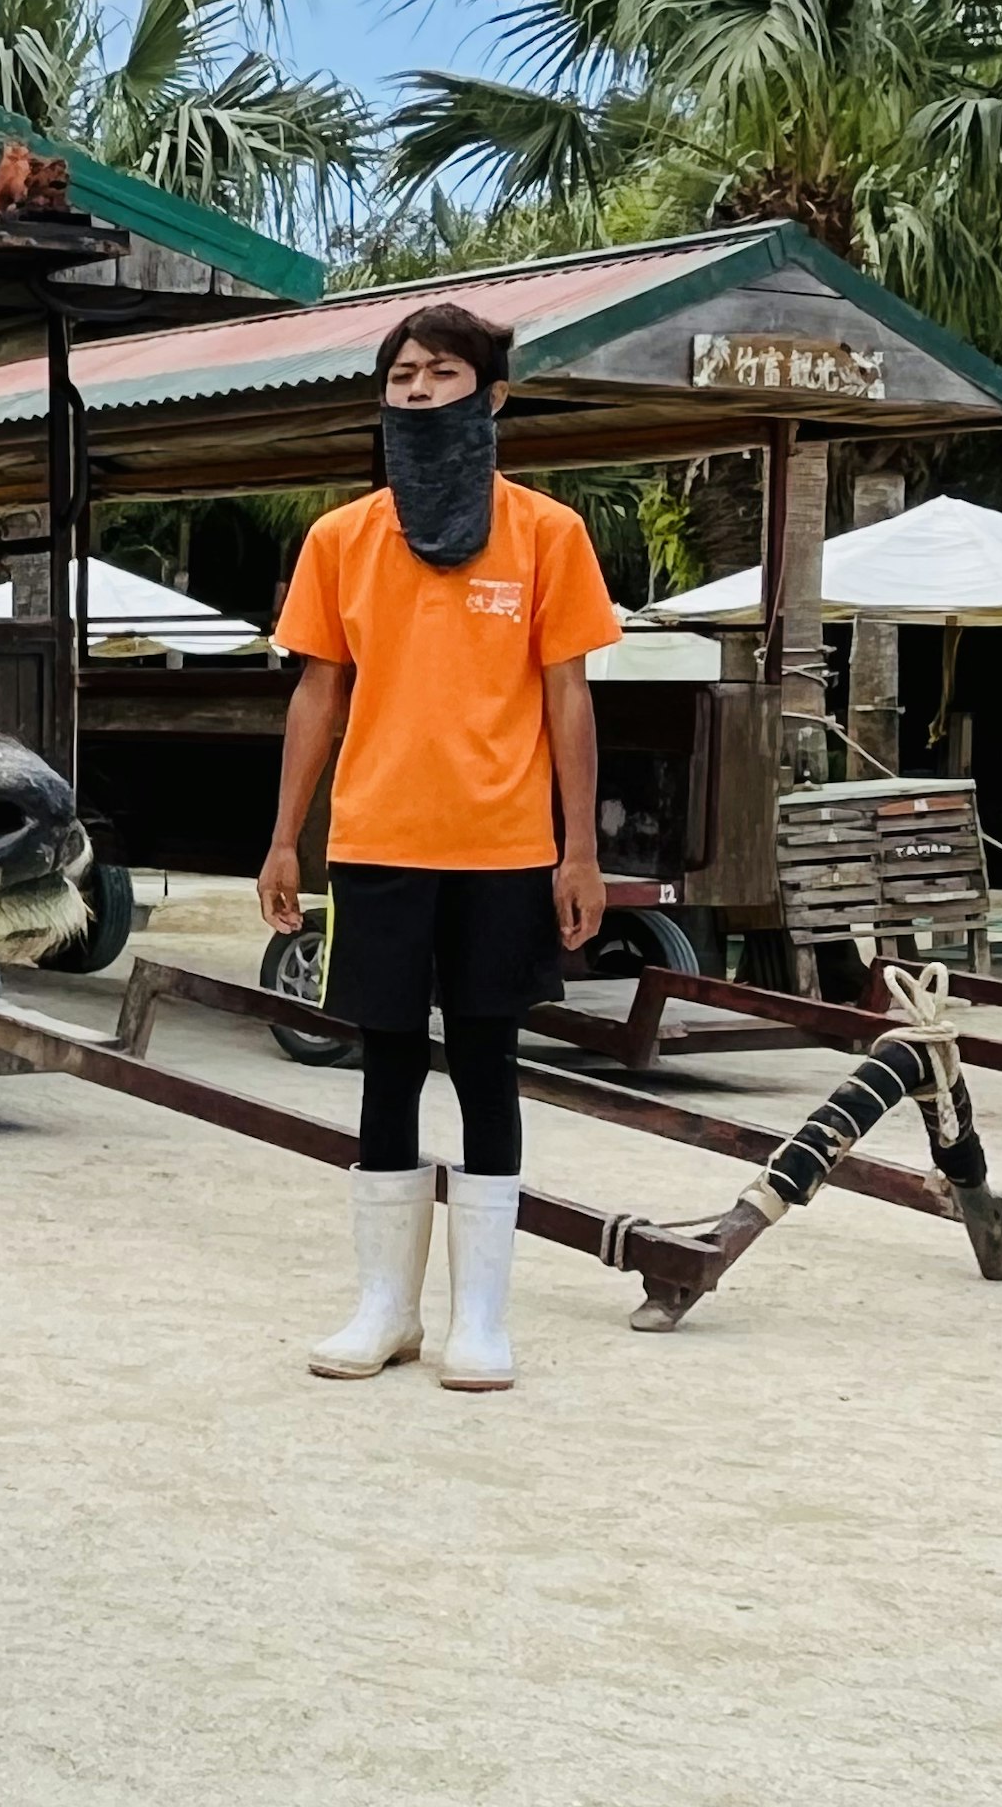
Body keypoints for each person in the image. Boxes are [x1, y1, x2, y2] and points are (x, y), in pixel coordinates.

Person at [258, 302, 620, 1392]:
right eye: (402, 374)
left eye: (443, 373)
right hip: (377, 840)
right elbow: (318, 695)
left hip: (505, 846)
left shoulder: (547, 534)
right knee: (384, 1068)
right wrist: (285, 842)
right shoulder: (342, 538)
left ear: (492, 397)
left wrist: (578, 851)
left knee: (487, 1066)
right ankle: (384, 1309)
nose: (417, 389)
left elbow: (569, 701)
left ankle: (482, 1321)